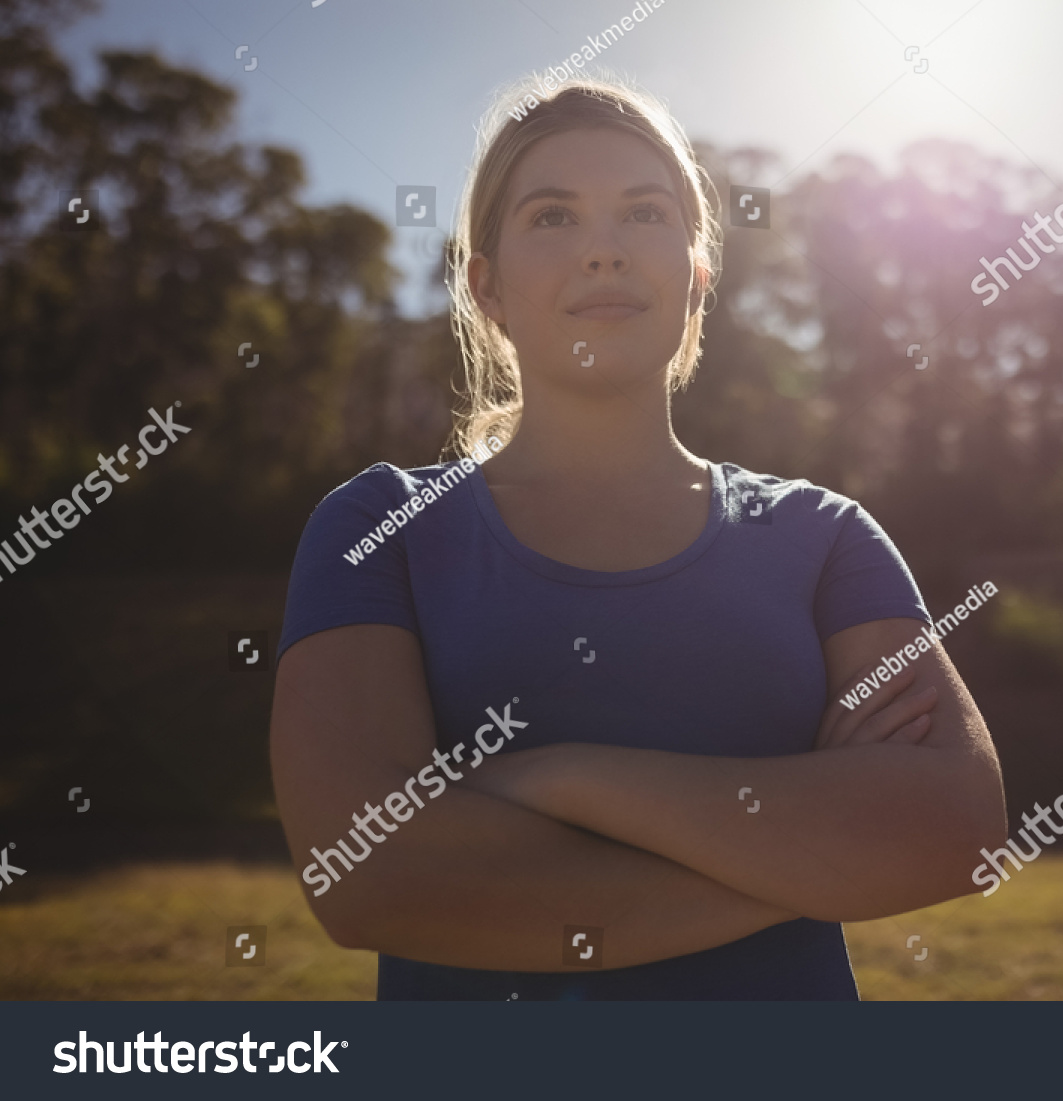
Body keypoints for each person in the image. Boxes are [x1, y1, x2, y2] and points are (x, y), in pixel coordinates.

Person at [269, 77, 1007, 1000]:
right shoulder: (380, 528)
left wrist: (564, 777)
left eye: (644, 214)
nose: (605, 251)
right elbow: (368, 875)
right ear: (485, 283)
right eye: (552, 218)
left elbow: (958, 827)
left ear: (697, 274)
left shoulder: (825, 537)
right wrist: (809, 855)